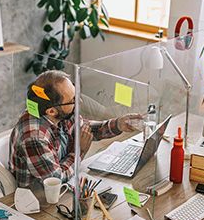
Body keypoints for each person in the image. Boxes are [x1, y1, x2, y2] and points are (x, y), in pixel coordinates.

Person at [9, 70, 141, 189]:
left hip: (65, 181)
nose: (80, 101)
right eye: (73, 100)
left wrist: (118, 124)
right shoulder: (34, 137)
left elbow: (86, 129)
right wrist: (79, 151)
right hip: (40, 197)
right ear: (51, 111)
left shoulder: (60, 113)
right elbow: (56, 180)